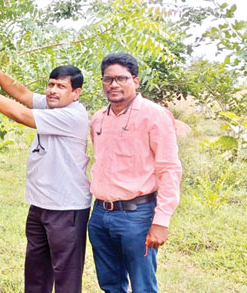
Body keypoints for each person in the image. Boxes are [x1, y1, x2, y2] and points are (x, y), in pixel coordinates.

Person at [0, 57, 91, 293]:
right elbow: (22, 93)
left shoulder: (73, 115)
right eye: (51, 84)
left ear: (76, 93)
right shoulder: (53, 104)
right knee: (35, 274)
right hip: (40, 205)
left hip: (66, 208)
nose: (53, 91)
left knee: (66, 277)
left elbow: (21, 114)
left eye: (61, 86)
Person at [88, 52, 182, 293]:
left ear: (136, 81)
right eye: (108, 79)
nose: (114, 85)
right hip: (100, 215)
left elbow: (169, 169)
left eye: (121, 78)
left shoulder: (154, 115)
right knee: (110, 284)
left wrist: (161, 221)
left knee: (142, 286)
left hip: (136, 216)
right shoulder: (98, 119)